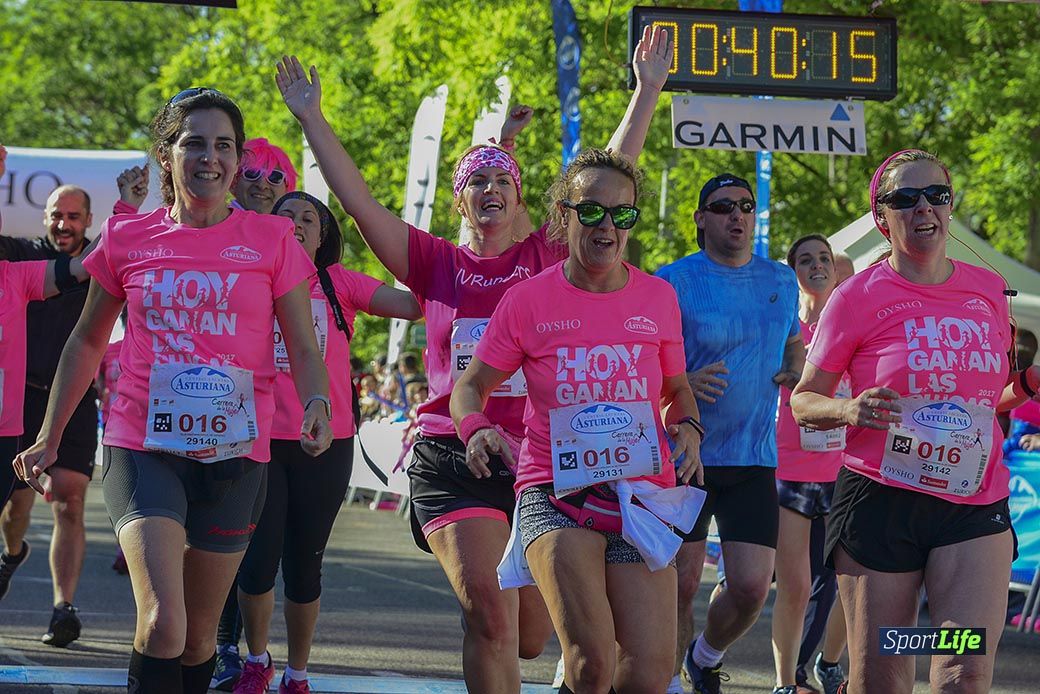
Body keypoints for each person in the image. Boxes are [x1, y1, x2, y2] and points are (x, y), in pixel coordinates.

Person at [276, 26, 671, 692]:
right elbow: (359, 203)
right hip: (453, 455)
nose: (490, 187)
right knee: (488, 616)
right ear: (461, 201)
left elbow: (609, 186)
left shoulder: (545, 257)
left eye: (502, 179)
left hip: (545, 462)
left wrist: (647, 89)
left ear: (522, 200)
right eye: (476, 181)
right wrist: (312, 117)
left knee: (530, 638)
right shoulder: (434, 262)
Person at [13, 87, 332, 694]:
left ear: (237, 160)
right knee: (163, 624)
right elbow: (85, 342)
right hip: (143, 446)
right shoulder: (129, 237)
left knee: (198, 638)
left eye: (223, 145)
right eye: (193, 143)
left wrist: (317, 401)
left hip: (237, 455)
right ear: (167, 156)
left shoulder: (271, 240)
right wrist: (48, 437)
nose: (208, 157)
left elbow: (304, 347)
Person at [450, 147, 703, 694]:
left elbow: (677, 390)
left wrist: (688, 428)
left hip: (640, 493)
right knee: (591, 666)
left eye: (621, 213)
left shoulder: (658, 297)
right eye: (590, 210)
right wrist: (478, 429)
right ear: (563, 217)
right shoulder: (527, 301)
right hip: (556, 488)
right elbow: (470, 387)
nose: (606, 224)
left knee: (650, 673)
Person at [791, 149, 1040, 693]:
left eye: (936, 195)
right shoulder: (855, 297)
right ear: (882, 217)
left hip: (971, 504)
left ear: (950, 207)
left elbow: (978, 402)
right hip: (882, 502)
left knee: (963, 668)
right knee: (883, 671)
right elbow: (805, 400)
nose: (924, 207)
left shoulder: (987, 291)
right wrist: (848, 409)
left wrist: (1024, 387)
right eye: (906, 198)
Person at [233, 191, 420, 694]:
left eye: (307, 218)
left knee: (304, 563)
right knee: (257, 559)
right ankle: (255, 661)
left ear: (323, 236)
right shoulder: (249, 278)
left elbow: (415, 305)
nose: (295, 223)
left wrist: (390, 240)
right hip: (257, 439)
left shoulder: (339, 284)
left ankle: (297, 672)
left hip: (325, 443)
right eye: (285, 216)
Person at [656, 173, 803, 694]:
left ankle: (705, 656)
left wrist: (794, 367)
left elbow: (794, 341)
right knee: (680, 583)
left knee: (749, 588)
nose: (737, 215)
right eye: (722, 207)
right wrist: (681, 382)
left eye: (745, 205)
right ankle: (669, 681)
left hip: (753, 456)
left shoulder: (781, 281)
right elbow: (642, 363)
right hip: (685, 454)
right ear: (700, 219)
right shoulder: (671, 280)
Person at [0, 160, 100, 646]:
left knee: (70, 502)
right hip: (20, 400)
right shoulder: (21, 257)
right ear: (44, 219)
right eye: (57, 216)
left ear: (88, 221)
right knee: (17, 506)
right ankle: (12, 553)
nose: (64, 224)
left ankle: (64, 607)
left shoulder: (98, 265)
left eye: (74, 216)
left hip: (77, 399)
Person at [771, 234, 847, 694]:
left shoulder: (850, 322)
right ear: (793, 269)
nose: (816, 266)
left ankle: (830, 662)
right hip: (789, 465)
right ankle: (784, 683)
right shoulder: (784, 324)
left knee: (849, 582)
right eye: (806, 259)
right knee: (795, 585)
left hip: (842, 469)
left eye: (823, 259)